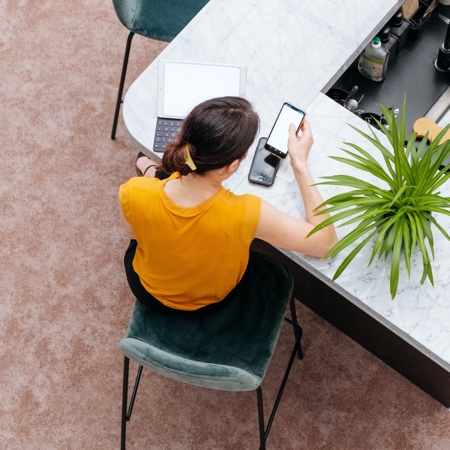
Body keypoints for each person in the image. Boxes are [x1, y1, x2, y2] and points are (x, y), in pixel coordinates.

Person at [119, 97, 338, 315]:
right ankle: (151, 169)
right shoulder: (247, 212)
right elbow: (326, 244)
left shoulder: (132, 191)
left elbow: (134, 236)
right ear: (233, 165)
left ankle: (148, 168)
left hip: (147, 290)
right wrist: (299, 163)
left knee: (159, 180)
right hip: (213, 301)